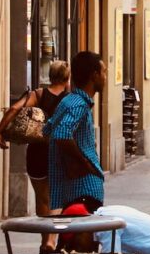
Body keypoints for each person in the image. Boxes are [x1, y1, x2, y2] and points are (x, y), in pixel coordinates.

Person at [0, 60, 70, 247]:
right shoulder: (69, 100)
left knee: (42, 198)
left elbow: (14, 108)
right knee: (57, 197)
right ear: (67, 78)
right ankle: (52, 239)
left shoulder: (39, 94)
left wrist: (0, 131)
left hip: (37, 152)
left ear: (50, 76)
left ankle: (45, 239)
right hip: (59, 152)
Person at [44, 51, 106, 211]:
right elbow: (61, 134)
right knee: (83, 234)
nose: (105, 77)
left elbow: (47, 130)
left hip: (71, 190)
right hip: (84, 189)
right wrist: (83, 161)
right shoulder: (79, 104)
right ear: (94, 75)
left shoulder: (68, 100)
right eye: (104, 72)